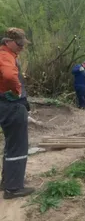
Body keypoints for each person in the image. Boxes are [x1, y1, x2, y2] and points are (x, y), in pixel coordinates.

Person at [0, 27, 35, 199]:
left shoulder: (7, 54)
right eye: (19, 44)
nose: (22, 47)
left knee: (11, 144)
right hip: (11, 106)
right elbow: (8, 76)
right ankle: (13, 188)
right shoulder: (5, 56)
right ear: (8, 42)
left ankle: (6, 182)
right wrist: (17, 91)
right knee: (18, 147)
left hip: (5, 105)